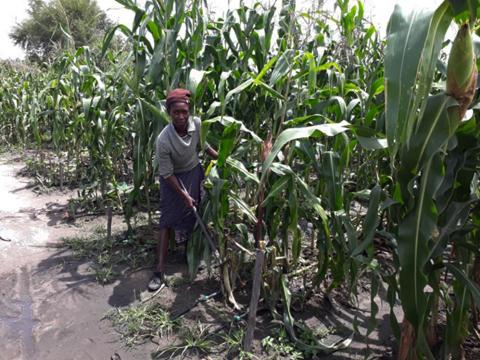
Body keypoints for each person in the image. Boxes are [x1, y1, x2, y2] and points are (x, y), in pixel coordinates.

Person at [148, 88, 218, 291]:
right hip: (172, 178)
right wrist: (183, 194)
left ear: (189, 111)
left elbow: (204, 146)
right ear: (169, 113)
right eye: (175, 112)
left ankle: (189, 255)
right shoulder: (163, 139)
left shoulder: (196, 124)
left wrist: (222, 159)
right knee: (167, 220)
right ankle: (159, 270)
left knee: (192, 214)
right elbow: (166, 173)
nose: (180, 116)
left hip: (194, 171)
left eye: (184, 112)